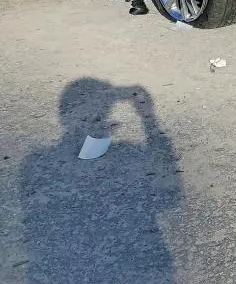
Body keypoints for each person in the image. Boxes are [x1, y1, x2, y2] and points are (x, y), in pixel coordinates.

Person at [19, 78, 182, 283]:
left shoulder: (128, 158)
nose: (98, 121)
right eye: (88, 116)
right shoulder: (42, 165)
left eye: (100, 114)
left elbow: (169, 194)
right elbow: (82, 174)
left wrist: (149, 120)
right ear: (68, 118)